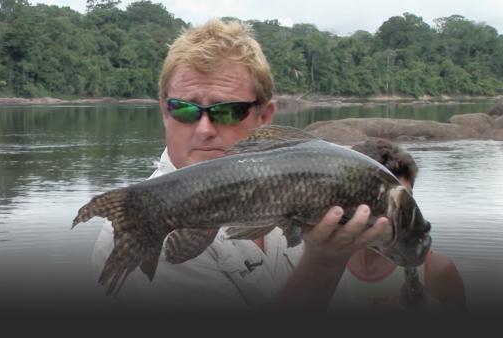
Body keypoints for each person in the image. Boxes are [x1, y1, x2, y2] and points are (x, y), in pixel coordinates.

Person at [92, 18, 389, 312]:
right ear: (164, 111)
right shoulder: (140, 225)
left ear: (265, 116)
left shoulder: (303, 197)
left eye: (228, 111)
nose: (204, 129)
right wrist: (323, 263)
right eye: (184, 109)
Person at [329, 138, 466, 312]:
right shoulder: (315, 262)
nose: (397, 213)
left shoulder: (436, 270)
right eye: (385, 201)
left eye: (406, 199)